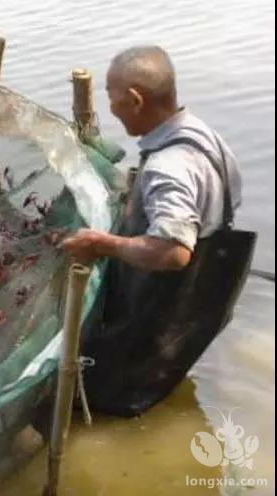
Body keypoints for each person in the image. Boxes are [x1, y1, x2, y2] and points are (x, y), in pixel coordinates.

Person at [59, 46, 252, 416]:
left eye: (112, 98)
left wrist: (101, 243)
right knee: (158, 370)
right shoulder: (202, 135)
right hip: (198, 303)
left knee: (105, 398)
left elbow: (173, 252)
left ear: (135, 99)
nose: (111, 108)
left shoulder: (169, 165)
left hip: (161, 304)